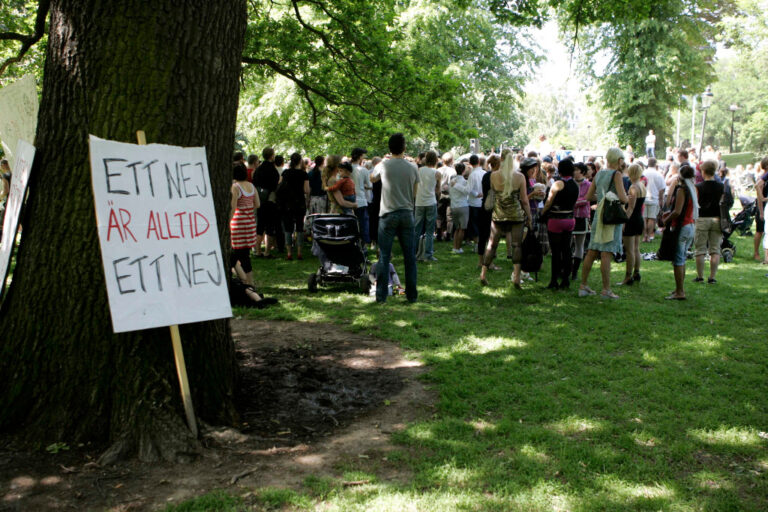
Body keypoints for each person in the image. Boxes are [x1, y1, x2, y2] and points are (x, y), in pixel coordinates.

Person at [370, 133, 419, 303]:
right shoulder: (412, 167)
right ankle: (411, 295)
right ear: (404, 147)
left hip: (387, 213)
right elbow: (415, 192)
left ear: (389, 149)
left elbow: (372, 178)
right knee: (410, 257)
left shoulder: (384, 165)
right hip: (406, 212)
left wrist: (381, 163)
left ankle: (381, 296)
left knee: (384, 255)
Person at [578, 148, 629, 299]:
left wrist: (601, 196)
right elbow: (622, 197)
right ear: (619, 160)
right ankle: (606, 289)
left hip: (598, 214)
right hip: (611, 215)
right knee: (606, 252)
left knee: (592, 250)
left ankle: (583, 285)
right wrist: (628, 199)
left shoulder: (599, 173)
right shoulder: (617, 174)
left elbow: (588, 196)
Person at [479, 150, 532, 287]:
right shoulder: (519, 177)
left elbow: (492, 194)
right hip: (516, 215)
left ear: (501, 159)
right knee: (516, 245)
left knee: (492, 244)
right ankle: (516, 277)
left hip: (498, 215)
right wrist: (530, 216)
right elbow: (524, 200)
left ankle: (483, 273)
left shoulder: (493, 176)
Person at [662, 164, 698, 300]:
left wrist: (666, 219)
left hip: (682, 227)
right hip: (690, 226)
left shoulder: (682, 190)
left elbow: (677, 211)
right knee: (681, 259)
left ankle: (680, 291)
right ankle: (678, 288)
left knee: (678, 260)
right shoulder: (694, 189)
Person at [541, 157, 578, 289]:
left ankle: (554, 280)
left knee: (556, 252)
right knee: (567, 249)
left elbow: (549, 202)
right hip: (570, 219)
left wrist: (542, 213)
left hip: (556, 220)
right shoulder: (575, 185)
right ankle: (566, 279)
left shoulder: (557, 184)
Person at [693, 160, 724, 283]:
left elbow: (696, 204)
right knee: (715, 249)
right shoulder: (721, 186)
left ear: (703, 171)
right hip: (717, 218)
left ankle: (700, 276)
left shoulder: (698, 187)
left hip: (702, 218)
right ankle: (712, 277)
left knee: (700, 249)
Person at [230, 163, 259, 287]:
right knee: (245, 254)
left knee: (235, 254)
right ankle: (249, 281)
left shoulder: (235, 187)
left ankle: (245, 281)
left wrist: (228, 221)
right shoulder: (251, 186)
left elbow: (233, 207)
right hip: (250, 223)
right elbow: (257, 204)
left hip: (238, 224)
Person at [278, 152, 310, 260]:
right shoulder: (303, 174)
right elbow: (306, 190)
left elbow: (280, 186)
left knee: (288, 228)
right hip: (299, 202)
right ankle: (300, 252)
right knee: (300, 227)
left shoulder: (286, 173)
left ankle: (289, 253)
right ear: (300, 161)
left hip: (287, 203)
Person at [619, 163, 646, 286]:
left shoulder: (633, 187)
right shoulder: (642, 185)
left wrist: (624, 221)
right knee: (636, 248)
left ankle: (628, 276)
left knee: (629, 250)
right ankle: (636, 272)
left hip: (632, 219)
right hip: (639, 218)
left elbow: (630, 208)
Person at [414, 150, 440, 262]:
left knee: (417, 229)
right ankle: (428, 254)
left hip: (419, 202)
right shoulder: (437, 173)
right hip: (431, 201)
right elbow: (438, 190)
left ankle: (414, 252)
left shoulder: (418, 170)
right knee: (430, 230)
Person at [253, 147, 280, 258]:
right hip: (269, 200)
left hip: (259, 199)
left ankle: (258, 250)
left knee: (260, 225)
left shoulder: (258, 169)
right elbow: (274, 185)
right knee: (269, 226)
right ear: (272, 156)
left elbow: (254, 182)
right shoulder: (273, 170)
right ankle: (267, 252)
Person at [571, 162, 591, 281]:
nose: (574, 172)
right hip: (570, 216)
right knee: (568, 243)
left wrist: (573, 202)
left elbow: (586, 199)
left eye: (577, 170)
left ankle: (575, 271)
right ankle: (566, 268)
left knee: (580, 244)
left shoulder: (588, 184)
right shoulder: (570, 183)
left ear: (582, 172)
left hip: (582, 217)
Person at [476, 155, 497, 269]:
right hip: (492, 208)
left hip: (483, 206)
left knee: (483, 236)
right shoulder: (495, 176)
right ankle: (490, 262)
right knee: (491, 236)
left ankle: (480, 261)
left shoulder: (485, 175)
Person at [350, 148, 371, 246]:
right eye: (363, 155)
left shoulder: (347, 169)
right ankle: (363, 246)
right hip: (361, 200)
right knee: (363, 224)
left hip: (348, 200)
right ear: (360, 157)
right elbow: (370, 185)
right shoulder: (363, 170)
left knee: (351, 224)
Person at [449, 162, 470, 254]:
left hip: (454, 205)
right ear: (464, 171)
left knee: (457, 228)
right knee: (462, 228)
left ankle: (455, 247)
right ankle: (458, 247)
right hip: (463, 205)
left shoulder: (452, 181)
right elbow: (467, 192)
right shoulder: (465, 182)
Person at [436, 152, 456, 242]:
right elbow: (454, 184)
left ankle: (439, 234)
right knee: (449, 216)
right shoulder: (453, 171)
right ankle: (448, 235)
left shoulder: (438, 170)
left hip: (440, 194)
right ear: (451, 160)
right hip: (450, 195)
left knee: (439, 215)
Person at [466, 154, 484, 244]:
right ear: (479, 162)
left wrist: (476, 194)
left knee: (474, 224)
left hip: (474, 202)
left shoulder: (472, 175)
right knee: (480, 224)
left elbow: (468, 189)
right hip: (481, 202)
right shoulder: (483, 173)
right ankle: (479, 242)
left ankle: (477, 243)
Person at [755, 157, 768, 262]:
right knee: (760, 231)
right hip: (762, 206)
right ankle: (756, 252)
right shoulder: (763, 178)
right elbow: (759, 197)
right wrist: (761, 212)